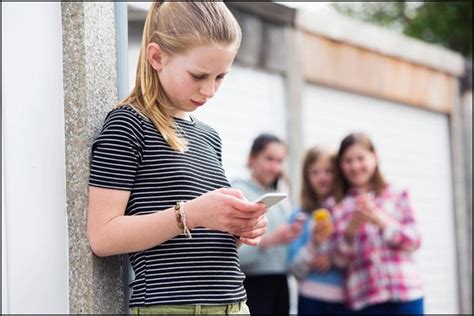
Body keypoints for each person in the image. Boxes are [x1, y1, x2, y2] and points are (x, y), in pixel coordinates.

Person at [86, 2, 268, 315]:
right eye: (199, 75)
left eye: (220, 77)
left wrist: (238, 227)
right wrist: (191, 214)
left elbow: (195, 243)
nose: (210, 90)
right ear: (156, 57)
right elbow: (102, 236)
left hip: (235, 305)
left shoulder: (209, 136)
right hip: (174, 308)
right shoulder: (129, 124)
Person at [331, 133, 424, 314]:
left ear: (375, 157)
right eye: (348, 161)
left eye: (361, 158)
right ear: (341, 166)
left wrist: (382, 221)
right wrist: (350, 232)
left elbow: (415, 240)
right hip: (364, 299)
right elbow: (338, 262)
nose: (355, 166)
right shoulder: (337, 206)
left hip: (405, 293)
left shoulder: (398, 193)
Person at [231, 133, 303, 315]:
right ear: (252, 158)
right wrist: (269, 241)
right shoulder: (237, 193)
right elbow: (230, 252)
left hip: (280, 284)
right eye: (269, 159)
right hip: (252, 284)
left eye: (280, 161)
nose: (275, 167)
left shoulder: (281, 199)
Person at [288, 146, 350, 315]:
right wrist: (313, 244)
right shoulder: (299, 216)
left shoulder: (346, 209)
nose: (322, 177)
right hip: (310, 299)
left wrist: (333, 259)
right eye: (314, 172)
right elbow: (295, 270)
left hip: (346, 301)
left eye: (328, 171)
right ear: (306, 177)